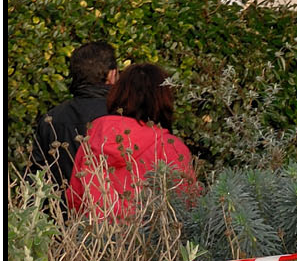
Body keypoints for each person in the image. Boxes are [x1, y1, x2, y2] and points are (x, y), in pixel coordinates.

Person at [65, 62, 198, 219]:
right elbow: (187, 205)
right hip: (152, 239)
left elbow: (75, 199)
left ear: (118, 93)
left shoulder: (95, 138)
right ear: (163, 99)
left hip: (98, 239)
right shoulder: (171, 147)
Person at [30, 42, 118, 204]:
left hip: (62, 219)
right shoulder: (126, 116)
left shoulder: (52, 119)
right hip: (116, 219)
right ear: (112, 75)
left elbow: (35, 178)